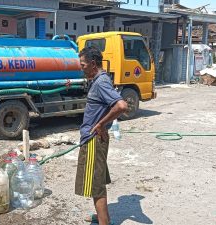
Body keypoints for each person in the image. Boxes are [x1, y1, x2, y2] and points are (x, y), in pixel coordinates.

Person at [75, 46, 127, 225]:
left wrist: (101, 124)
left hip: (93, 141)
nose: (81, 67)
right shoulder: (98, 79)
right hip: (94, 139)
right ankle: (102, 217)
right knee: (95, 181)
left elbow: (121, 106)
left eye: (83, 64)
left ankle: (104, 222)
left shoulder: (101, 82)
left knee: (96, 186)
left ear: (93, 64)